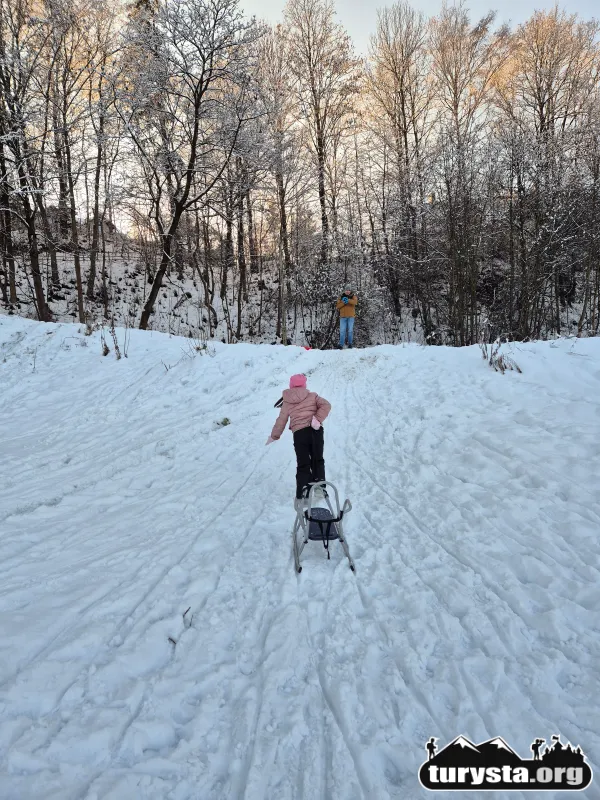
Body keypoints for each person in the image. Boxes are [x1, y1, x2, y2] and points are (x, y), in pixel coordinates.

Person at [267, 374, 331, 501]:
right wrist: (317, 419)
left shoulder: (287, 401)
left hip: (299, 434)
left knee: (303, 463)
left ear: (291, 385)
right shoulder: (312, 396)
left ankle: (303, 491)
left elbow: (281, 420)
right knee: (317, 459)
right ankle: (320, 489)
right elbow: (326, 405)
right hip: (315, 431)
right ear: (304, 385)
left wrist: (274, 436)